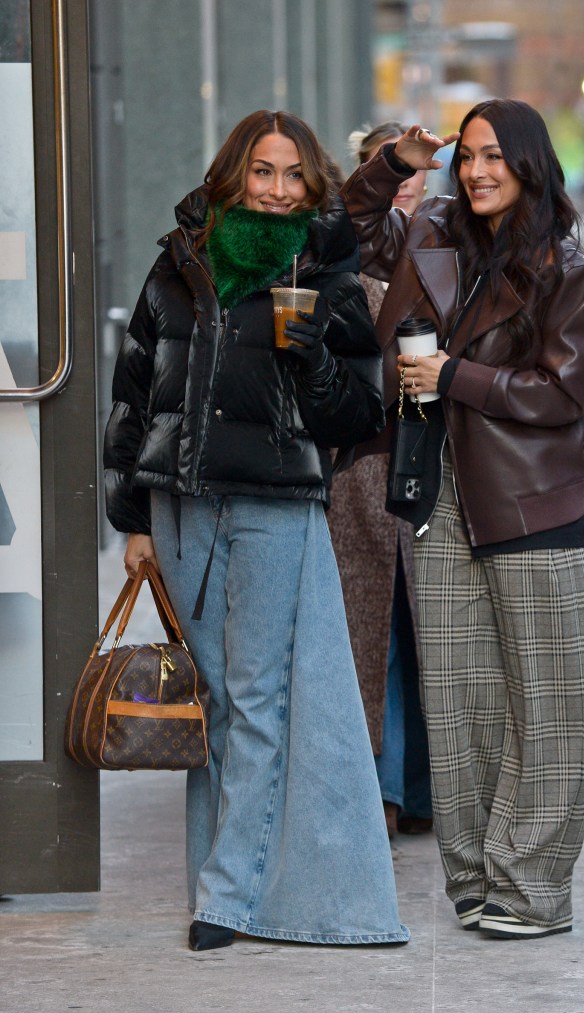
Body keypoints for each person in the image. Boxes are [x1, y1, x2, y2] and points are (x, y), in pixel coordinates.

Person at [103, 109, 409, 951]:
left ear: (313, 187)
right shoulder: (179, 261)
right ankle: (230, 874)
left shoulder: (327, 268)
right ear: (232, 174)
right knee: (211, 701)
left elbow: (356, 412)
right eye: (262, 172)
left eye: (293, 176)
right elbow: (136, 387)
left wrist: (312, 355)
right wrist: (131, 514)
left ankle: (226, 897)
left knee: (258, 699)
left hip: (274, 502)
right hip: (180, 502)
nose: (276, 191)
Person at [341, 99, 584, 938]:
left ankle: (533, 890)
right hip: (437, 494)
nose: (477, 171)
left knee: (549, 706)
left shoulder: (565, 268)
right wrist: (396, 160)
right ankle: (476, 879)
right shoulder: (429, 235)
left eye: (495, 157)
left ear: (529, 163)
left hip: (532, 501)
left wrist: (455, 378)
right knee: (459, 701)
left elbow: (565, 394)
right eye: (468, 157)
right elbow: (347, 223)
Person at [326, 121, 432, 839]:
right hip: (363, 462)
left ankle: (419, 789)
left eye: (414, 173)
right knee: (375, 639)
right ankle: (383, 791)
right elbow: (355, 216)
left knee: (432, 637)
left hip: (437, 461)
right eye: (387, 172)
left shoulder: (449, 244)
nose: (404, 184)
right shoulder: (362, 243)